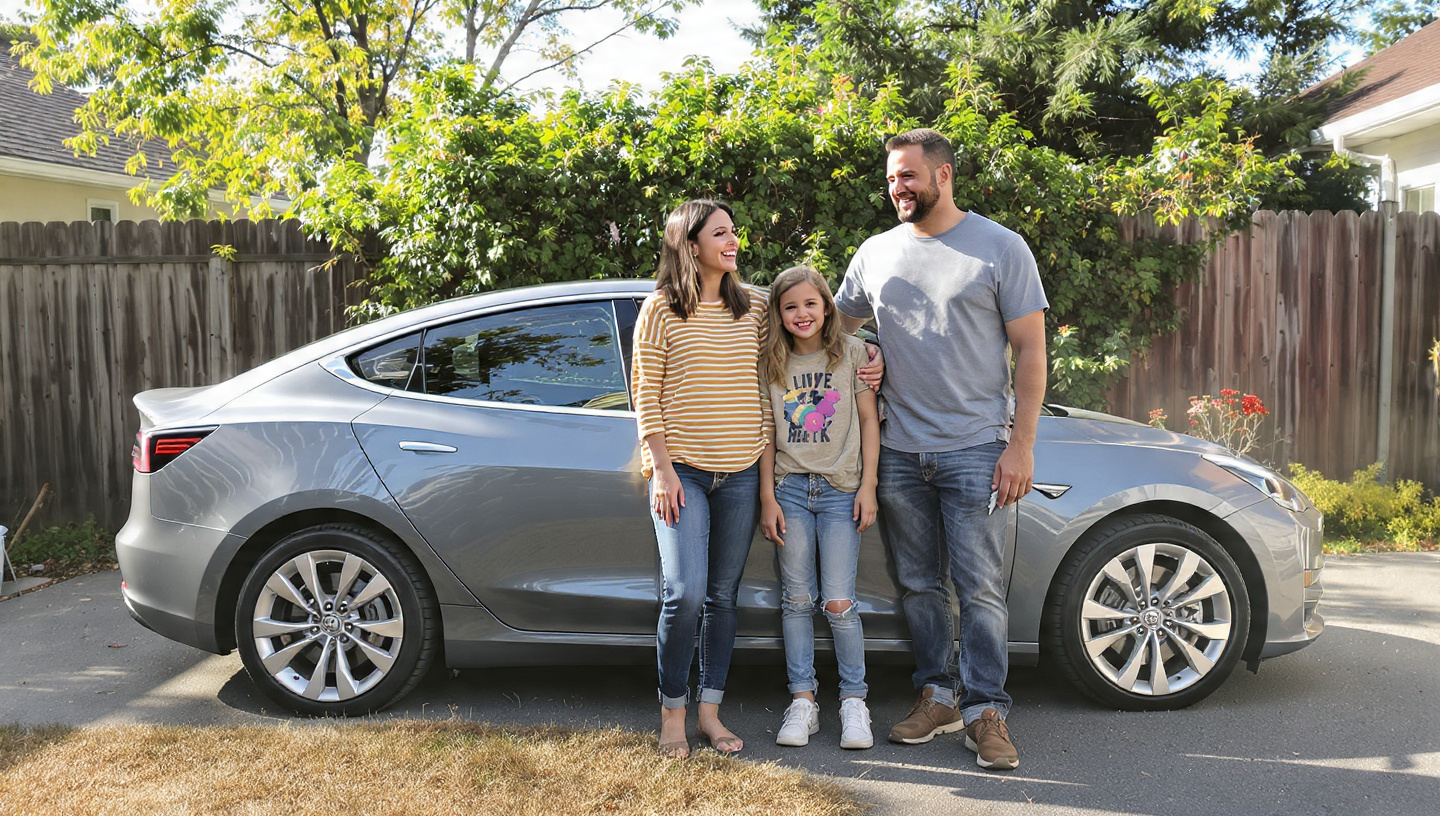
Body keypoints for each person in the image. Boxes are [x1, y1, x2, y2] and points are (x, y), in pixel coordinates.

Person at [834, 128, 1048, 771]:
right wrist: (866, 352)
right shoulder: (874, 253)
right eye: (892, 177)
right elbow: (836, 328)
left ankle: (987, 711)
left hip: (977, 449)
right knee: (920, 585)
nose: (897, 187)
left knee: (980, 588)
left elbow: (1032, 351)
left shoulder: (1000, 248)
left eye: (908, 176)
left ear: (943, 175)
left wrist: (1021, 446)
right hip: (898, 451)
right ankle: (938, 694)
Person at [632, 199, 769, 759]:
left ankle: (710, 713)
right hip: (682, 473)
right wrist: (661, 472)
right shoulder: (660, 308)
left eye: (734, 231)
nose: (733, 241)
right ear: (690, 246)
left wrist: (871, 358)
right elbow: (646, 395)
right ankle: (672, 713)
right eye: (720, 234)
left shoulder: (756, 306)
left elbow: (795, 365)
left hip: (741, 474)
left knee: (722, 598)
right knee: (683, 594)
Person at [757, 265, 881, 751]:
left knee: (838, 602)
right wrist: (767, 496)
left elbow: (869, 422)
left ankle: (854, 702)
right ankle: (803, 701)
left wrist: (868, 486)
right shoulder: (771, 361)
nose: (801, 314)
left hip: (840, 491)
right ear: (779, 314)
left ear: (827, 306)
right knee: (796, 600)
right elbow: (767, 432)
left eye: (810, 303)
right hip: (789, 490)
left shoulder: (851, 354)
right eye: (790, 307)